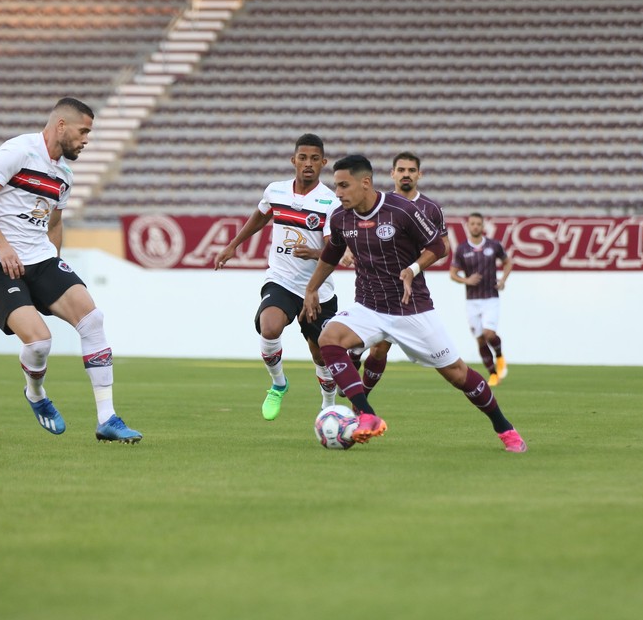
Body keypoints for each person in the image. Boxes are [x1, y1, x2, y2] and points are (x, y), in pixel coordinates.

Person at [301, 155, 527, 453]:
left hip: (411, 309)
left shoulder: (402, 210)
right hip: (368, 306)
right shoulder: (341, 218)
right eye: (336, 186)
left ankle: (505, 429)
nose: (338, 192)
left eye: (344, 185)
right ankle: (366, 414)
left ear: (365, 182)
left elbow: (438, 247)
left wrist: (413, 269)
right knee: (329, 338)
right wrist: (311, 289)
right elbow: (332, 254)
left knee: (458, 375)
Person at [0, 97, 142, 442]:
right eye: (83, 131)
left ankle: (107, 419)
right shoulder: (19, 151)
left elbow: (54, 221)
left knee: (92, 319)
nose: (86, 139)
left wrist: (54, 260)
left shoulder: (64, 175)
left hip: (40, 261)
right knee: (40, 342)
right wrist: (3, 246)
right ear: (61, 125)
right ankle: (36, 393)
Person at [215, 133, 339, 420]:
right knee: (268, 327)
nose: (308, 164)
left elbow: (334, 250)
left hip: (317, 288)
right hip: (281, 280)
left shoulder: (330, 202)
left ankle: (328, 404)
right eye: (303, 158)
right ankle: (278, 384)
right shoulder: (276, 191)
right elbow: (261, 215)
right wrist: (233, 245)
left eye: (314, 159)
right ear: (293, 160)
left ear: (324, 162)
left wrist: (315, 252)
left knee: (321, 353)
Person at [341, 151, 450, 398]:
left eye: (411, 170)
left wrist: (415, 264)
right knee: (362, 340)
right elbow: (354, 228)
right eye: (401, 170)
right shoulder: (379, 202)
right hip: (372, 285)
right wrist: (348, 249)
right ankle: (354, 358)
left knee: (380, 350)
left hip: (406, 289)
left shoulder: (431, 208)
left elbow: (444, 247)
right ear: (392, 174)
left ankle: (362, 396)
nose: (406, 174)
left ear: (419, 175)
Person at [449, 212, 514, 386]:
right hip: (472, 300)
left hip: (491, 297)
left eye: (478, 224)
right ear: (468, 226)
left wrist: (502, 280)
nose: (476, 226)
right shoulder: (462, 249)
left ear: (483, 226)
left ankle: (499, 356)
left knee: (488, 333)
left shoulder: (493, 245)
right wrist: (466, 280)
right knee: (479, 338)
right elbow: (453, 274)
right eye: (472, 224)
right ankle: (493, 373)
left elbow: (508, 262)